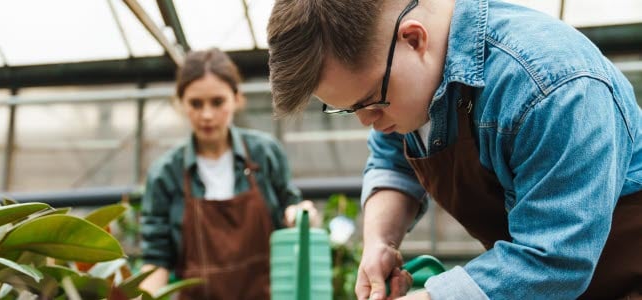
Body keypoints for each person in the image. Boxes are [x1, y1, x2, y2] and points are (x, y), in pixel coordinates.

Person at [266, 0, 642, 299]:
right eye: (349, 109)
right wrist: (380, 240)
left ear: (414, 40)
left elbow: (554, 258)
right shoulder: (402, 83)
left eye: (372, 103)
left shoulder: (552, 86)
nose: (367, 121)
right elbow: (393, 160)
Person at [138, 48, 318, 300]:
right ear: (180, 103)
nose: (207, 115)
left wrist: (300, 215)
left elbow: (292, 212)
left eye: (217, 102)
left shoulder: (264, 154)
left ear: (236, 98)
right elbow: (157, 260)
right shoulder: (165, 174)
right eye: (196, 104)